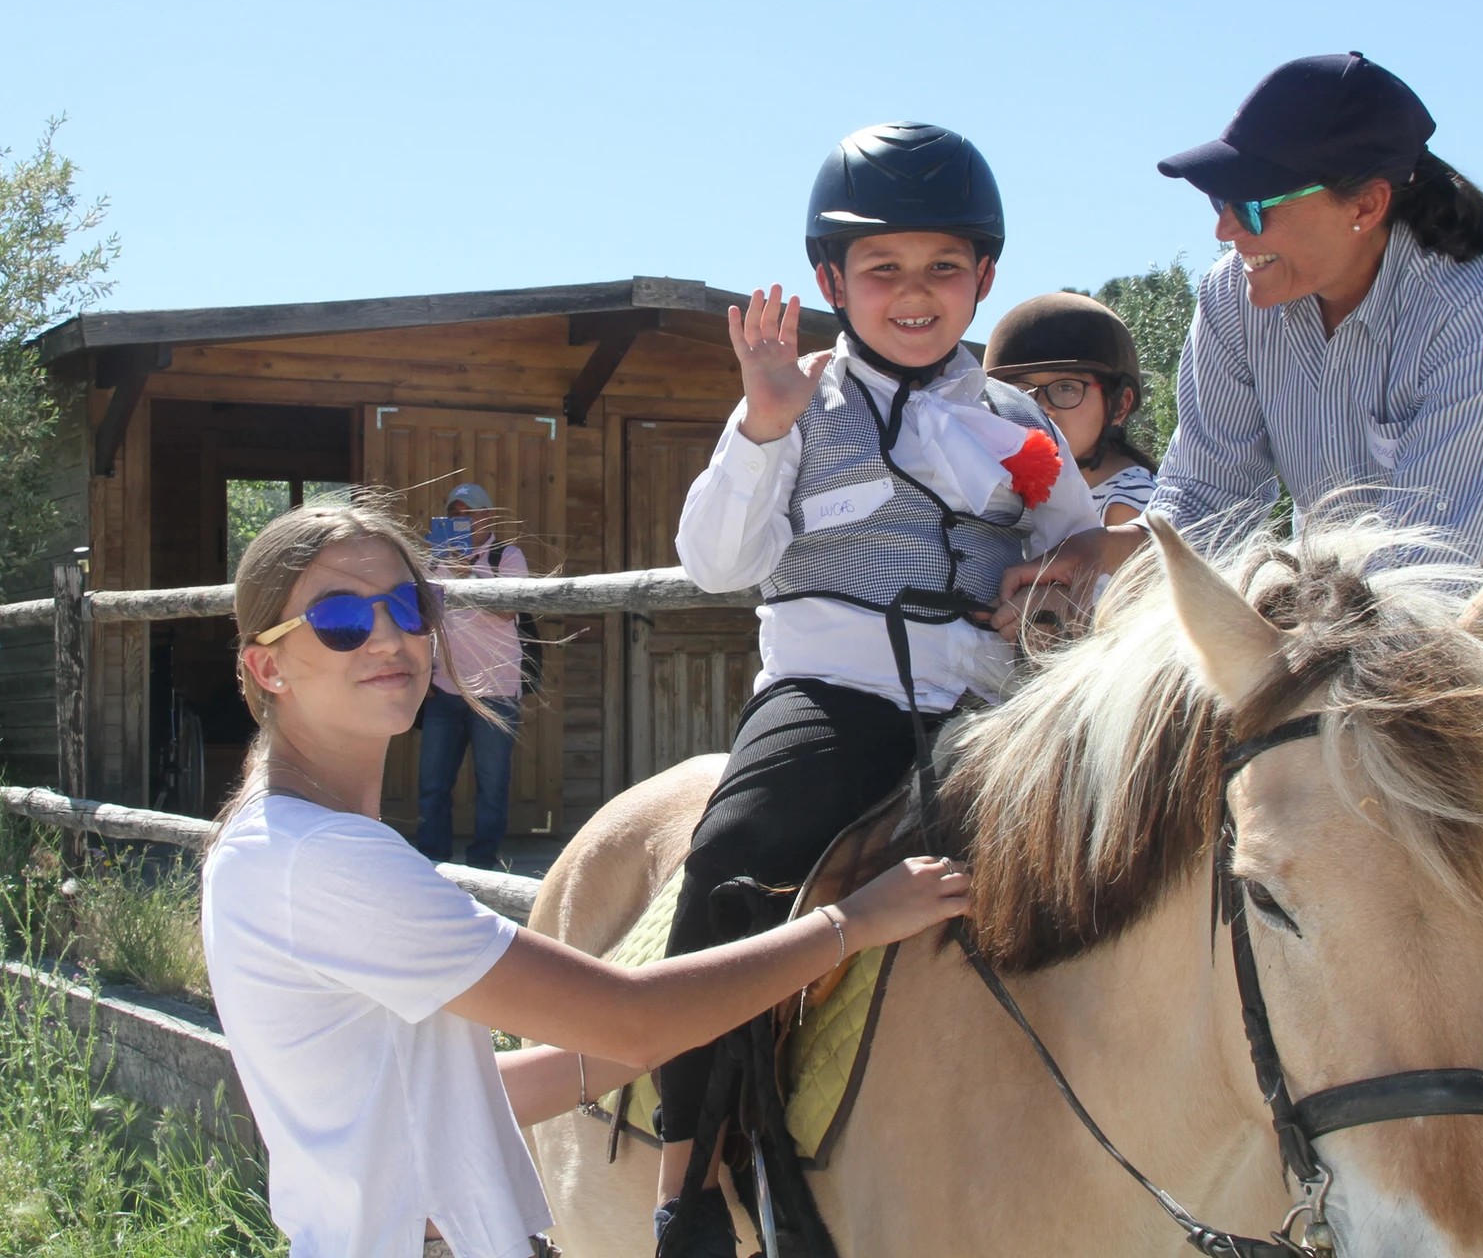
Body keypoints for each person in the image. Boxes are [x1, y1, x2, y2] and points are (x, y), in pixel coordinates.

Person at [996, 53, 1483, 1258]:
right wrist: (1103, 551)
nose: (1229, 229)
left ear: (1365, 202)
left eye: (1256, 202)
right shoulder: (1232, 300)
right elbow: (1209, 486)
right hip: (1359, 615)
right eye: (1219, 204)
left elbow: (1427, 589)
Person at [201, 500, 969, 1258]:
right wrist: (853, 923)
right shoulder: (328, 863)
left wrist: (653, 1052)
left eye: (409, 605)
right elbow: (631, 1017)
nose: (388, 636)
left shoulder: (273, 842)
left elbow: (436, 1101)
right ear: (267, 665)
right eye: (339, 620)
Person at [662, 121, 1099, 1255]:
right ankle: (689, 1182)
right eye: (882, 269)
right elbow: (715, 561)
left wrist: (1058, 579)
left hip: (994, 714)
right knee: (729, 863)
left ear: (983, 278)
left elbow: (1079, 547)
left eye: (943, 267)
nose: (916, 294)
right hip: (837, 697)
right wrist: (761, 422)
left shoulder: (1024, 428)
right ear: (830, 282)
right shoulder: (792, 401)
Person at [417, 481, 526, 871]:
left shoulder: (506, 556)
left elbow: (508, 610)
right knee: (432, 785)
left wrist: (469, 573)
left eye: (469, 513)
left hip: (495, 691)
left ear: (487, 517)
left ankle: (483, 866)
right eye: (454, 513)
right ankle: (433, 862)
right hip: (444, 688)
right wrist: (422, 677)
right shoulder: (433, 561)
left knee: (492, 787)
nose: (460, 519)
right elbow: (422, 620)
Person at [983, 291, 1159, 523]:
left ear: (1120, 406)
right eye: (1020, 391)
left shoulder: (1129, 504)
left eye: (1066, 388)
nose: (1042, 408)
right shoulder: (1022, 494)